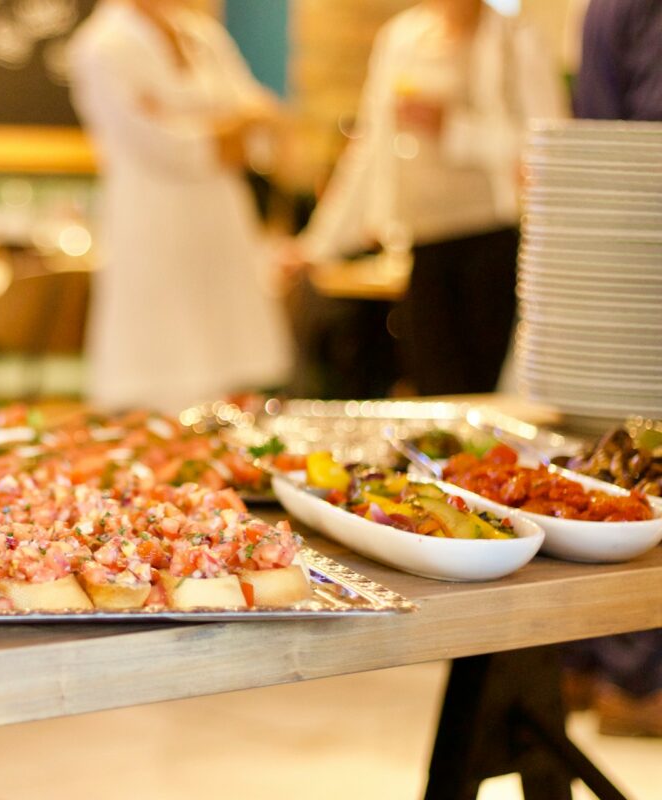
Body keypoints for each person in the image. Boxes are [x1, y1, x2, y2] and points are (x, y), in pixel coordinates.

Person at [287, 0, 566, 396]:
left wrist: (453, 127)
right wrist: (319, 245)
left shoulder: (516, 38)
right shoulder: (401, 38)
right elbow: (369, 150)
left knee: (480, 385)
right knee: (430, 380)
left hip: (491, 238)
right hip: (422, 239)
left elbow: (545, 143)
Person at [68, 0, 294, 413]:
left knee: (233, 366)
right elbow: (160, 144)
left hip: (220, 219)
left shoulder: (201, 34)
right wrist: (226, 126)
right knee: (161, 364)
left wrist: (199, 123)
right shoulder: (102, 46)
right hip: (151, 222)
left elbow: (260, 113)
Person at [562, 0, 662, 738]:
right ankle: (626, 674)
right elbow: (597, 153)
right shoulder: (623, 9)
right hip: (636, 277)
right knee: (630, 465)